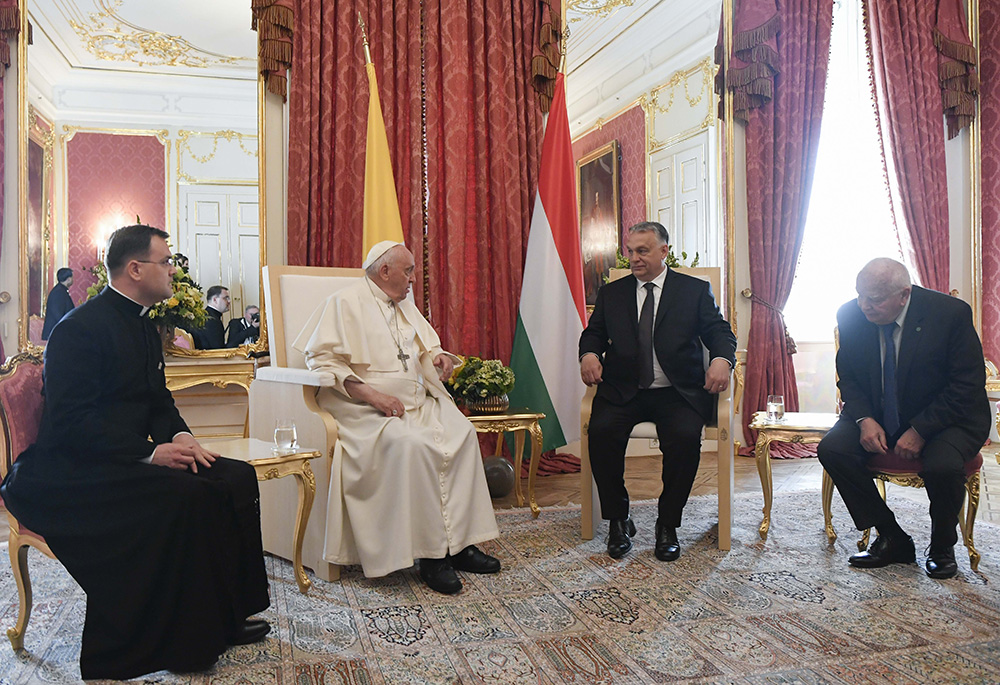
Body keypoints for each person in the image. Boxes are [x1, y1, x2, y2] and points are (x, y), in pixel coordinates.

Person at [0, 224, 271, 679]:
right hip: (73, 468)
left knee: (236, 477)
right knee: (187, 496)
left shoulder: (146, 327)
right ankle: (183, 637)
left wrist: (181, 438)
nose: (172, 270)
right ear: (134, 268)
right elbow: (73, 423)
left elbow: (157, 400)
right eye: (165, 262)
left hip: (124, 454)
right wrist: (149, 454)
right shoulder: (78, 330)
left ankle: (228, 614)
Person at [293, 240, 501, 594]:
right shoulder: (344, 302)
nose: (413, 279)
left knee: (462, 433)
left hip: (417, 403)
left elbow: (426, 349)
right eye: (408, 271)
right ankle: (432, 556)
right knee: (412, 444)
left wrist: (440, 360)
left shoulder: (405, 306)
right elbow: (323, 361)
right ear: (384, 270)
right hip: (362, 409)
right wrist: (372, 395)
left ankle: (461, 544)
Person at [818, 258, 990, 579]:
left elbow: (965, 385)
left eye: (875, 299)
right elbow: (849, 377)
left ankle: (942, 546)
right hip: (879, 412)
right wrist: (864, 419)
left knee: (942, 465)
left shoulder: (949, 314)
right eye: (860, 295)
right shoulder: (852, 314)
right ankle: (892, 536)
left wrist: (921, 429)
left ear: (904, 294)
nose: (864, 306)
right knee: (832, 449)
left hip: (947, 417)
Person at [579, 221, 736, 561]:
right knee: (601, 432)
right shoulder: (613, 293)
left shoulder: (693, 291)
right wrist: (589, 354)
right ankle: (619, 519)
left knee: (682, 438)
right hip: (624, 390)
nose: (634, 258)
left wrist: (722, 360)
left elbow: (719, 332)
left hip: (677, 392)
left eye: (643, 251)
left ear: (664, 251)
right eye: (631, 251)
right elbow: (594, 333)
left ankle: (668, 523)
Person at [41, 267, 75, 340]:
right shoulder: (58, 292)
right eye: (72, 277)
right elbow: (58, 314)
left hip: (58, 332)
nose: (73, 279)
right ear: (68, 279)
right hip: (55, 333)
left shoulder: (61, 290)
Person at [191, 285, 230, 349]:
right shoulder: (212, 320)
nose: (229, 301)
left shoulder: (204, 315)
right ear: (215, 300)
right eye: (226, 298)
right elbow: (218, 350)